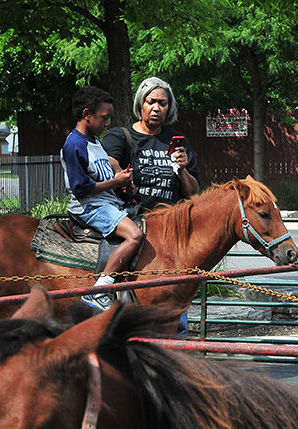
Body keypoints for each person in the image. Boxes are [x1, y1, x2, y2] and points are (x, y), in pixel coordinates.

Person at [61, 86, 144, 311]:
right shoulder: (74, 145)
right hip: (90, 207)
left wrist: (122, 182)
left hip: (107, 203)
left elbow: (105, 172)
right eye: (104, 118)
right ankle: (100, 290)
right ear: (87, 114)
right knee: (135, 235)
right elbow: (81, 189)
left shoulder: (94, 141)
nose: (107, 123)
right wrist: (116, 183)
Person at [102, 77, 200, 210]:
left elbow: (193, 193)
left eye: (162, 103)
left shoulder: (177, 141)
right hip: (133, 218)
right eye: (151, 102)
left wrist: (182, 169)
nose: (156, 108)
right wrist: (120, 173)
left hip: (170, 218)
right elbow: (106, 160)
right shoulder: (120, 136)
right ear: (140, 103)